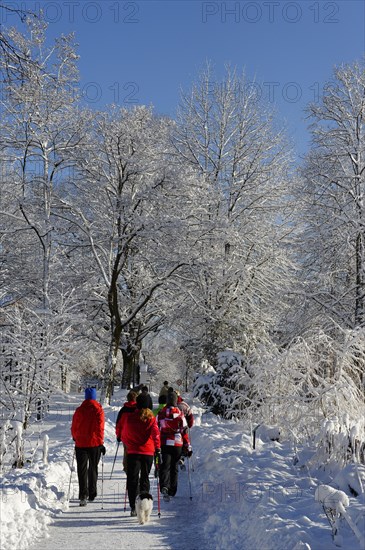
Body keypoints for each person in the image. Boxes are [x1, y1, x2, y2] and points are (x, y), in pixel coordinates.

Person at [120, 393, 161, 517]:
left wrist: (128, 445)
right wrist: (157, 448)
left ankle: (133, 506)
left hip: (133, 452)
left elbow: (124, 435)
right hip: (148, 452)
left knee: (132, 479)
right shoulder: (151, 418)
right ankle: (144, 503)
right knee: (145, 478)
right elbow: (156, 434)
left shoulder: (130, 417)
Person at [71, 387, 105, 506]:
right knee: (93, 468)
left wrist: (75, 437)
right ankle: (92, 493)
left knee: (82, 469)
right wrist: (101, 443)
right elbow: (100, 428)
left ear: (85, 396)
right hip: (95, 443)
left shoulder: (79, 410)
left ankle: (83, 495)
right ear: (95, 397)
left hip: (81, 443)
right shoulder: (99, 410)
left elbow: (74, 426)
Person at [157, 390, 192, 500]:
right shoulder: (180, 414)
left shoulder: (161, 413)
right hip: (177, 444)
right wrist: (187, 446)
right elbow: (184, 432)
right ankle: (172, 490)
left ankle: (164, 486)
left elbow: (156, 429)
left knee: (165, 466)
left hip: (164, 443)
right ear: (176, 401)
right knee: (174, 468)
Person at [115, 390, 138, 472]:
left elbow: (118, 424)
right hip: (136, 435)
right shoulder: (138, 409)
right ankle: (135, 467)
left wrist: (118, 435)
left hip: (125, 435)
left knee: (126, 451)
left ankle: (126, 467)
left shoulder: (123, 410)